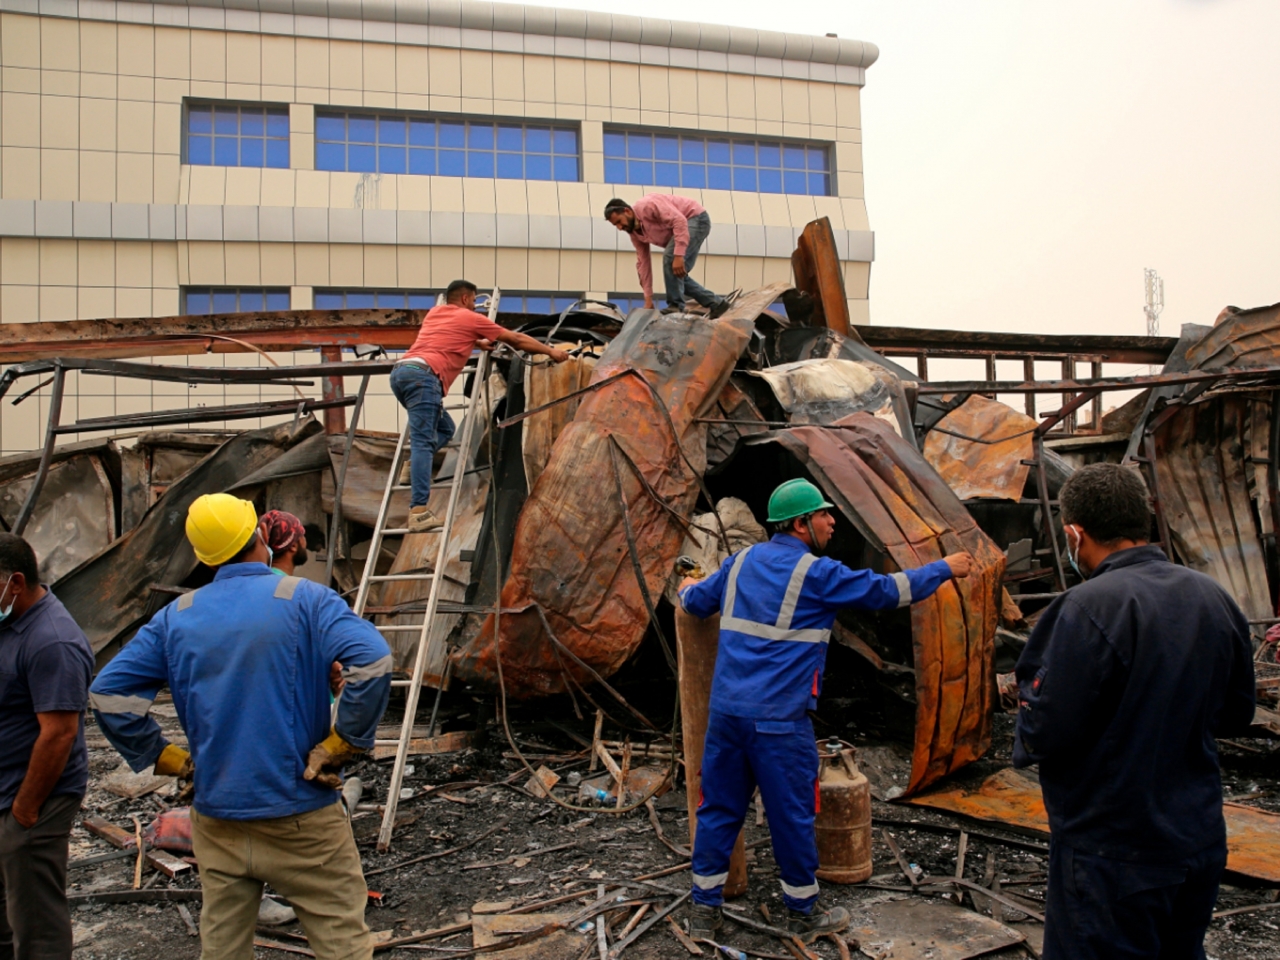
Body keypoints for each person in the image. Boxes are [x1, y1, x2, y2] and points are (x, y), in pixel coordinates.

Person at [90, 493, 393, 960]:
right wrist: (343, 741)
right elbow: (372, 662)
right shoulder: (305, 599)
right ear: (257, 537)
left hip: (217, 819)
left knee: (224, 948)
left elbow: (108, 696)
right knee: (343, 946)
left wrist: (167, 758)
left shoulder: (177, 617)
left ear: (203, 555)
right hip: (302, 815)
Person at [677, 479, 973, 943]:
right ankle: (801, 912)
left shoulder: (740, 562)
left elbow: (695, 602)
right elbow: (888, 591)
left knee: (718, 809)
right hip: (777, 722)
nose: (833, 521)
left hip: (727, 717)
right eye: (823, 514)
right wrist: (944, 567)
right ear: (800, 524)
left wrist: (686, 584)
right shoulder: (816, 574)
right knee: (792, 814)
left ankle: (703, 912)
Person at [1013, 463, 1255, 960]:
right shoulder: (1214, 598)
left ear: (1075, 534)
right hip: (1197, 840)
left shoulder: (1085, 608)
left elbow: (1044, 728)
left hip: (1112, 852)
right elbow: (1235, 714)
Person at [393, 279, 570, 534]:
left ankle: (414, 465)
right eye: (474, 301)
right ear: (465, 299)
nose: (475, 306)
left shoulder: (436, 313)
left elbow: (447, 336)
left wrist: (477, 343)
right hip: (424, 379)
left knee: (444, 430)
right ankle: (419, 511)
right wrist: (551, 352)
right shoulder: (469, 318)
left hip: (402, 373)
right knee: (422, 442)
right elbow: (516, 339)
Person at [0, 534, 93, 960]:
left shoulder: (53, 640)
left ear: (15, 583)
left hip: (37, 794)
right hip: (9, 789)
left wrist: (26, 810)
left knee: (37, 922)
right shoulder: (11, 624)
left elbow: (59, 734)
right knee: (9, 907)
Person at [604, 195, 730, 316]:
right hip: (684, 228)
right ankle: (717, 304)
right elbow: (643, 263)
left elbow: (679, 221)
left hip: (695, 218)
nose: (620, 228)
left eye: (619, 222)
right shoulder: (635, 234)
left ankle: (675, 306)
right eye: (616, 225)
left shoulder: (647, 206)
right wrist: (648, 299)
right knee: (676, 277)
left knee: (670, 260)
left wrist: (678, 255)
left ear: (627, 211)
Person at [260, 509, 309, 576]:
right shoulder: (297, 586)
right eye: (302, 535)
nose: (305, 541)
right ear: (293, 546)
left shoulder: (254, 580)